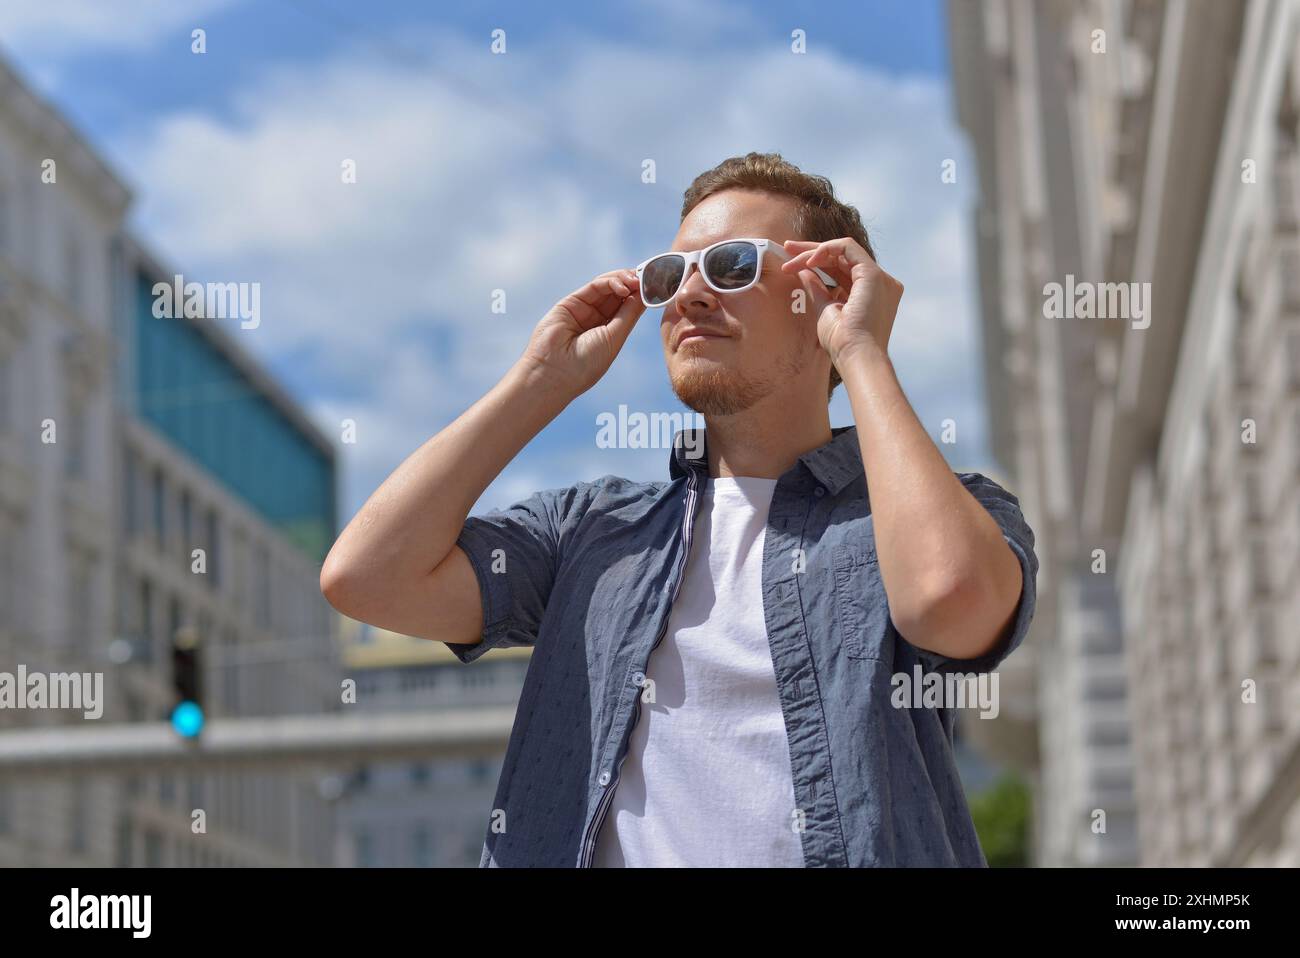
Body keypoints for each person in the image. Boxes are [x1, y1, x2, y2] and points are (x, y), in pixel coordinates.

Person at [320, 151, 1038, 867]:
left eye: (730, 266)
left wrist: (862, 353)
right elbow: (367, 577)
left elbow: (952, 601)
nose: (690, 295)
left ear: (823, 292)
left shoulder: (929, 515)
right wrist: (540, 381)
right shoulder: (592, 533)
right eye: (672, 275)